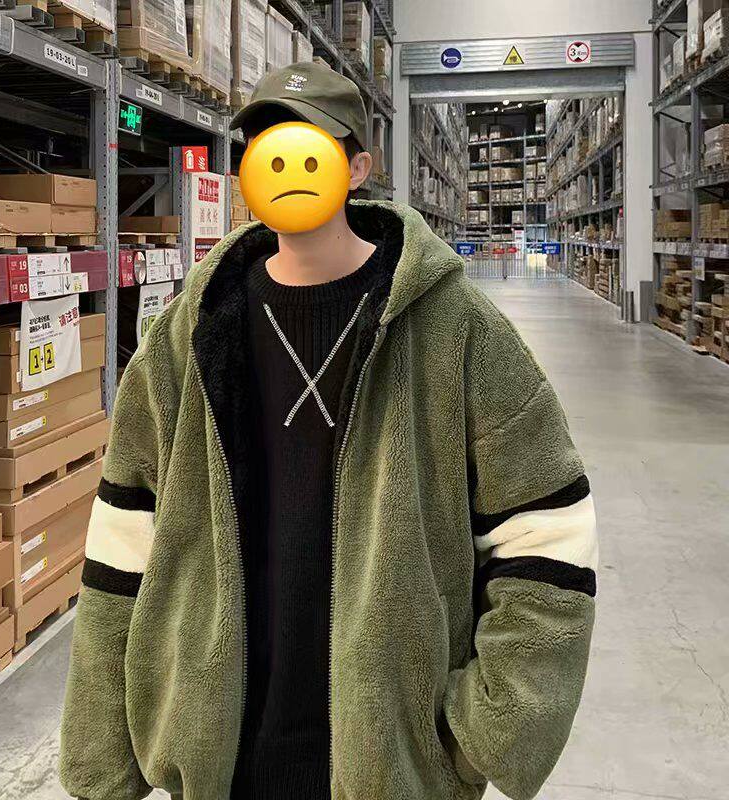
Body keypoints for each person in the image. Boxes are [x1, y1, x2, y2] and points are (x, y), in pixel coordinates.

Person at [59, 62, 598, 800]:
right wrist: (102, 750)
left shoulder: (453, 327)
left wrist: (489, 730)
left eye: (308, 143)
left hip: (392, 761)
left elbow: (549, 527)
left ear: (358, 168)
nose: (284, 164)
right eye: (264, 146)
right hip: (223, 759)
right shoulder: (194, 329)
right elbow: (125, 532)